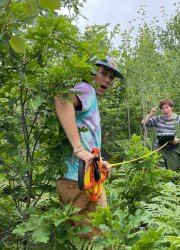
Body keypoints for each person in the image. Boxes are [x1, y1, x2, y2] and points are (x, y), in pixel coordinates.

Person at [54, 57, 124, 239]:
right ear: (90, 73)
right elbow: (62, 100)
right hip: (81, 183)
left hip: (77, 179)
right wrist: (78, 149)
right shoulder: (86, 90)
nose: (108, 80)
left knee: (77, 240)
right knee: (99, 240)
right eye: (103, 73)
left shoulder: (87, 97)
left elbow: (85, 139)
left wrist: (98, 161)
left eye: (111, 77)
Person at [142, 98, 180, 172]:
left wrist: (177, 140)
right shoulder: (158, 119)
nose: (165, 110)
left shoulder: (179, 119)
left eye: (167, 107)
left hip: (173, 150)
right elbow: (144, 124)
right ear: (161, 110)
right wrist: (151, 114)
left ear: (171, 108)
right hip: (159, 149)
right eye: (163, 108)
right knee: (158, 173)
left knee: (173, 173)